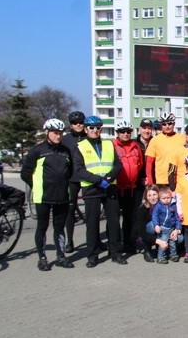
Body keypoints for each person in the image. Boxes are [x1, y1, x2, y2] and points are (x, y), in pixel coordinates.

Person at [73, 115, 127, 267]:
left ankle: (116, 253)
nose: (95, 130)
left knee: (114, 221)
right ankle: (92, 255)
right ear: (86, 129)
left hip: (109, 186)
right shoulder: (81, 146)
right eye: (91, 127)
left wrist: (109, 178)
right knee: (92, 223)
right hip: (92, 188)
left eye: (98, 127)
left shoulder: (109, 144)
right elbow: (79, 169)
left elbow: (118, 164)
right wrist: (98, 180)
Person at [21, 118, 74, 271]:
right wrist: (37, 186)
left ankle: (60, 256)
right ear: (47, 132)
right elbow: (25, 173)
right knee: (42, 227)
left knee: (59, 227)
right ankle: (42, 258)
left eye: (60, 133)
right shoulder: (37, 150)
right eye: (55, 133)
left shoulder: (65, 151)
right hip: (43, 196)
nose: (58, 136)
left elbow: (69, 173)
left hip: (62, 196)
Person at [113, 120, 144, 254]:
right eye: (122, 132)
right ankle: (113, 245)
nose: (125, 134)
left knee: (130, 218)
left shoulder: (135, 146)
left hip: (131, 188)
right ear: (117, 133)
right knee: (113, 219)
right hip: (116, 188)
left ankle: (129, 243)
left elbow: (140, 164)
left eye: (128, 131)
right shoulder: (112, 145)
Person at [61, 110, 86, 253]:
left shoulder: (90, 136)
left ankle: (95, 240)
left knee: (92, 211)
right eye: (75, 123)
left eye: (81, 122)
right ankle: (69, 241)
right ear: (70, 125)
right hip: (72, 179)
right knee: (70, 210)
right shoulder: (65, 139)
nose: (78, 125)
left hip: (88, 178)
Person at [145, 112, 186, 186]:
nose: (167, 126)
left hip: (180, 180)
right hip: (162, 181)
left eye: (170, 124)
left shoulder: (183, 138)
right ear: (161, 125)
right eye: (164, 124)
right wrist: (150, 182)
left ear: (174, 124)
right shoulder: (155, 140)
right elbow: (149, 163)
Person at [152, 185, 182, 263]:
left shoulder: (174, 205)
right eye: (163, 198)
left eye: (168, 198)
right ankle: (161, 257)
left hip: (171, 228)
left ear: (171, 197)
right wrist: (156, 225)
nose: (166, 200)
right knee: (163, 243)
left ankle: (173, 255)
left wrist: (178, 228)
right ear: (160, 198)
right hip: (163, 228)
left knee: (173, 243)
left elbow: (177, 218)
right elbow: (154, 215)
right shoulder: (158, 206)